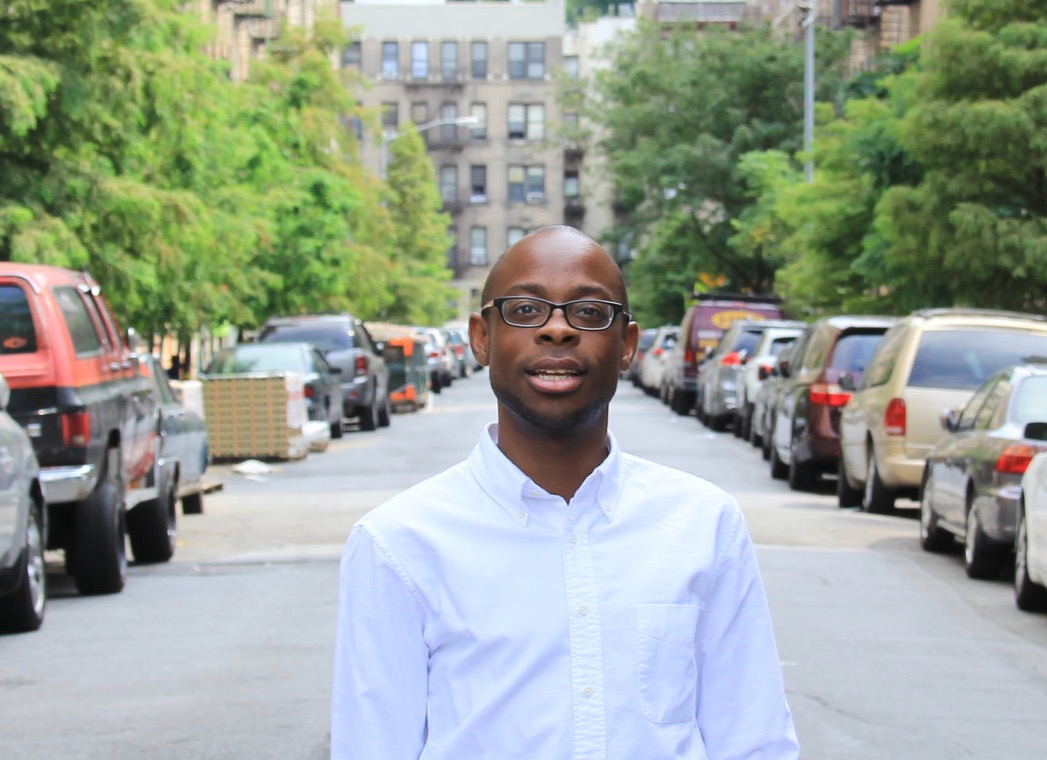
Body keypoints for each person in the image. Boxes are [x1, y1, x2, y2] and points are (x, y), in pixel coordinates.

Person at [330, 226, 799, 759]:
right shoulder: (398, 544)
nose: (557, 330)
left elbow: (753, 739)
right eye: (526, 310)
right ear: (481, 338)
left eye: (590, 313)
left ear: (626, 345)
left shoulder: (703, 524)